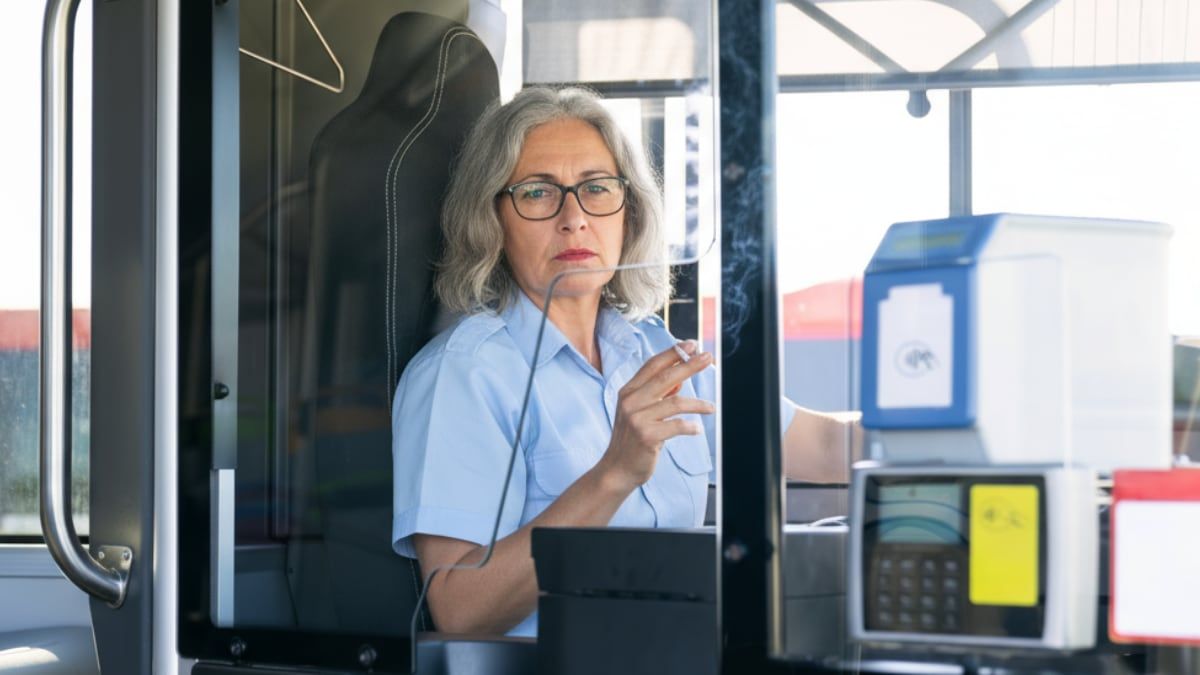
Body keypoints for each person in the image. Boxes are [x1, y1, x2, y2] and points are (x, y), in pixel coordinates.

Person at [392, 86, 860, 637]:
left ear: (628, 213)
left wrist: (941, 430)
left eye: (596, 188)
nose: (574, 218)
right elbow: (460, 610)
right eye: (538, 193)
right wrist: (613, 473)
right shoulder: (463, 374)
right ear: (491, 219)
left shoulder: (653, 352)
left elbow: (824, 446)